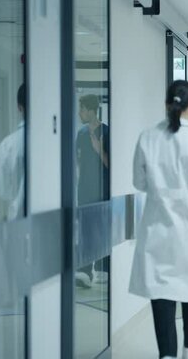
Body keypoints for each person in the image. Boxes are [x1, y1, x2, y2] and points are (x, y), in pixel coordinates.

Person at [129, 80, 188, 359]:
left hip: (157, 230)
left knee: (162, 296)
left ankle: (167, 354)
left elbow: (139, 181)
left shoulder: (148, 137)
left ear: (166, 104)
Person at [75, 94, 110, 288]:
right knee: (85, 231)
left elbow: (110, 165)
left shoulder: (106, 132)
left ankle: (103, 268)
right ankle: (85, 271)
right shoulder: (80, 134)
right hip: (85, 191)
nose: (80, 113)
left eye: (81, 109)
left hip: (102, 191)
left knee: (101, 230)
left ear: (90, 110)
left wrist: (99, 149)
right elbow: (77, 162)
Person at [0, 84, 26, 221]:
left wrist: (14, 194)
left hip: (17, 217)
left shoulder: (8, 145)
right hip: (50, 221)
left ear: (19, 107)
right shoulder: (54, 143)